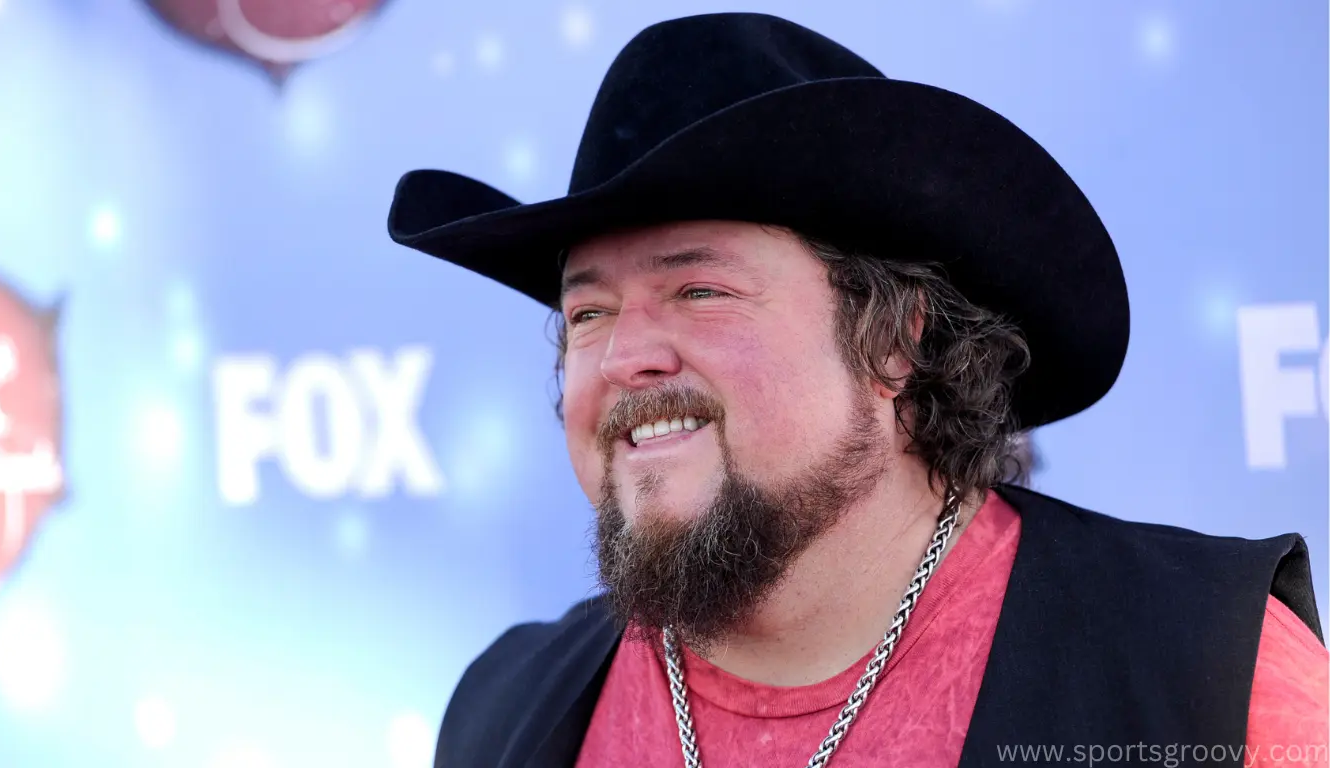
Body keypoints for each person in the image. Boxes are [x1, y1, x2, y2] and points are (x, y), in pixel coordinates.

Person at [387, 13, 1328, 767]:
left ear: (895, 339)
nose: (625, 355)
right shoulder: (499, 710)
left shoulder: (1208, 678)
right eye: (587, 314)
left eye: (700, 291)